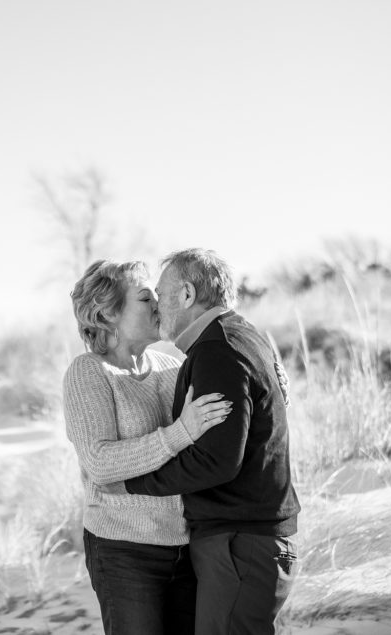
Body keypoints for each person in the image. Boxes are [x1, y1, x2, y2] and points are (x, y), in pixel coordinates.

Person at [124, 248, 301, 635]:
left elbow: (217, 460)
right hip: (247, 543)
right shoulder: (239, 335)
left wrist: (134, 483)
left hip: (240, 545)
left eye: (161, 292)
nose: (156, 305)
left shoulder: (217, 349)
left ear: (187, 294)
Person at [64, 259, 233, 635]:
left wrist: (268, 374)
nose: (159, 304)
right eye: (145, 298)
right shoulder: (88, 372)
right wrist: (179, 433)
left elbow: (226, 403)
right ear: (108, 313)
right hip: (124, 552)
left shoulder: (171, 365)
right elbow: (100, 463)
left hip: (187, 547)